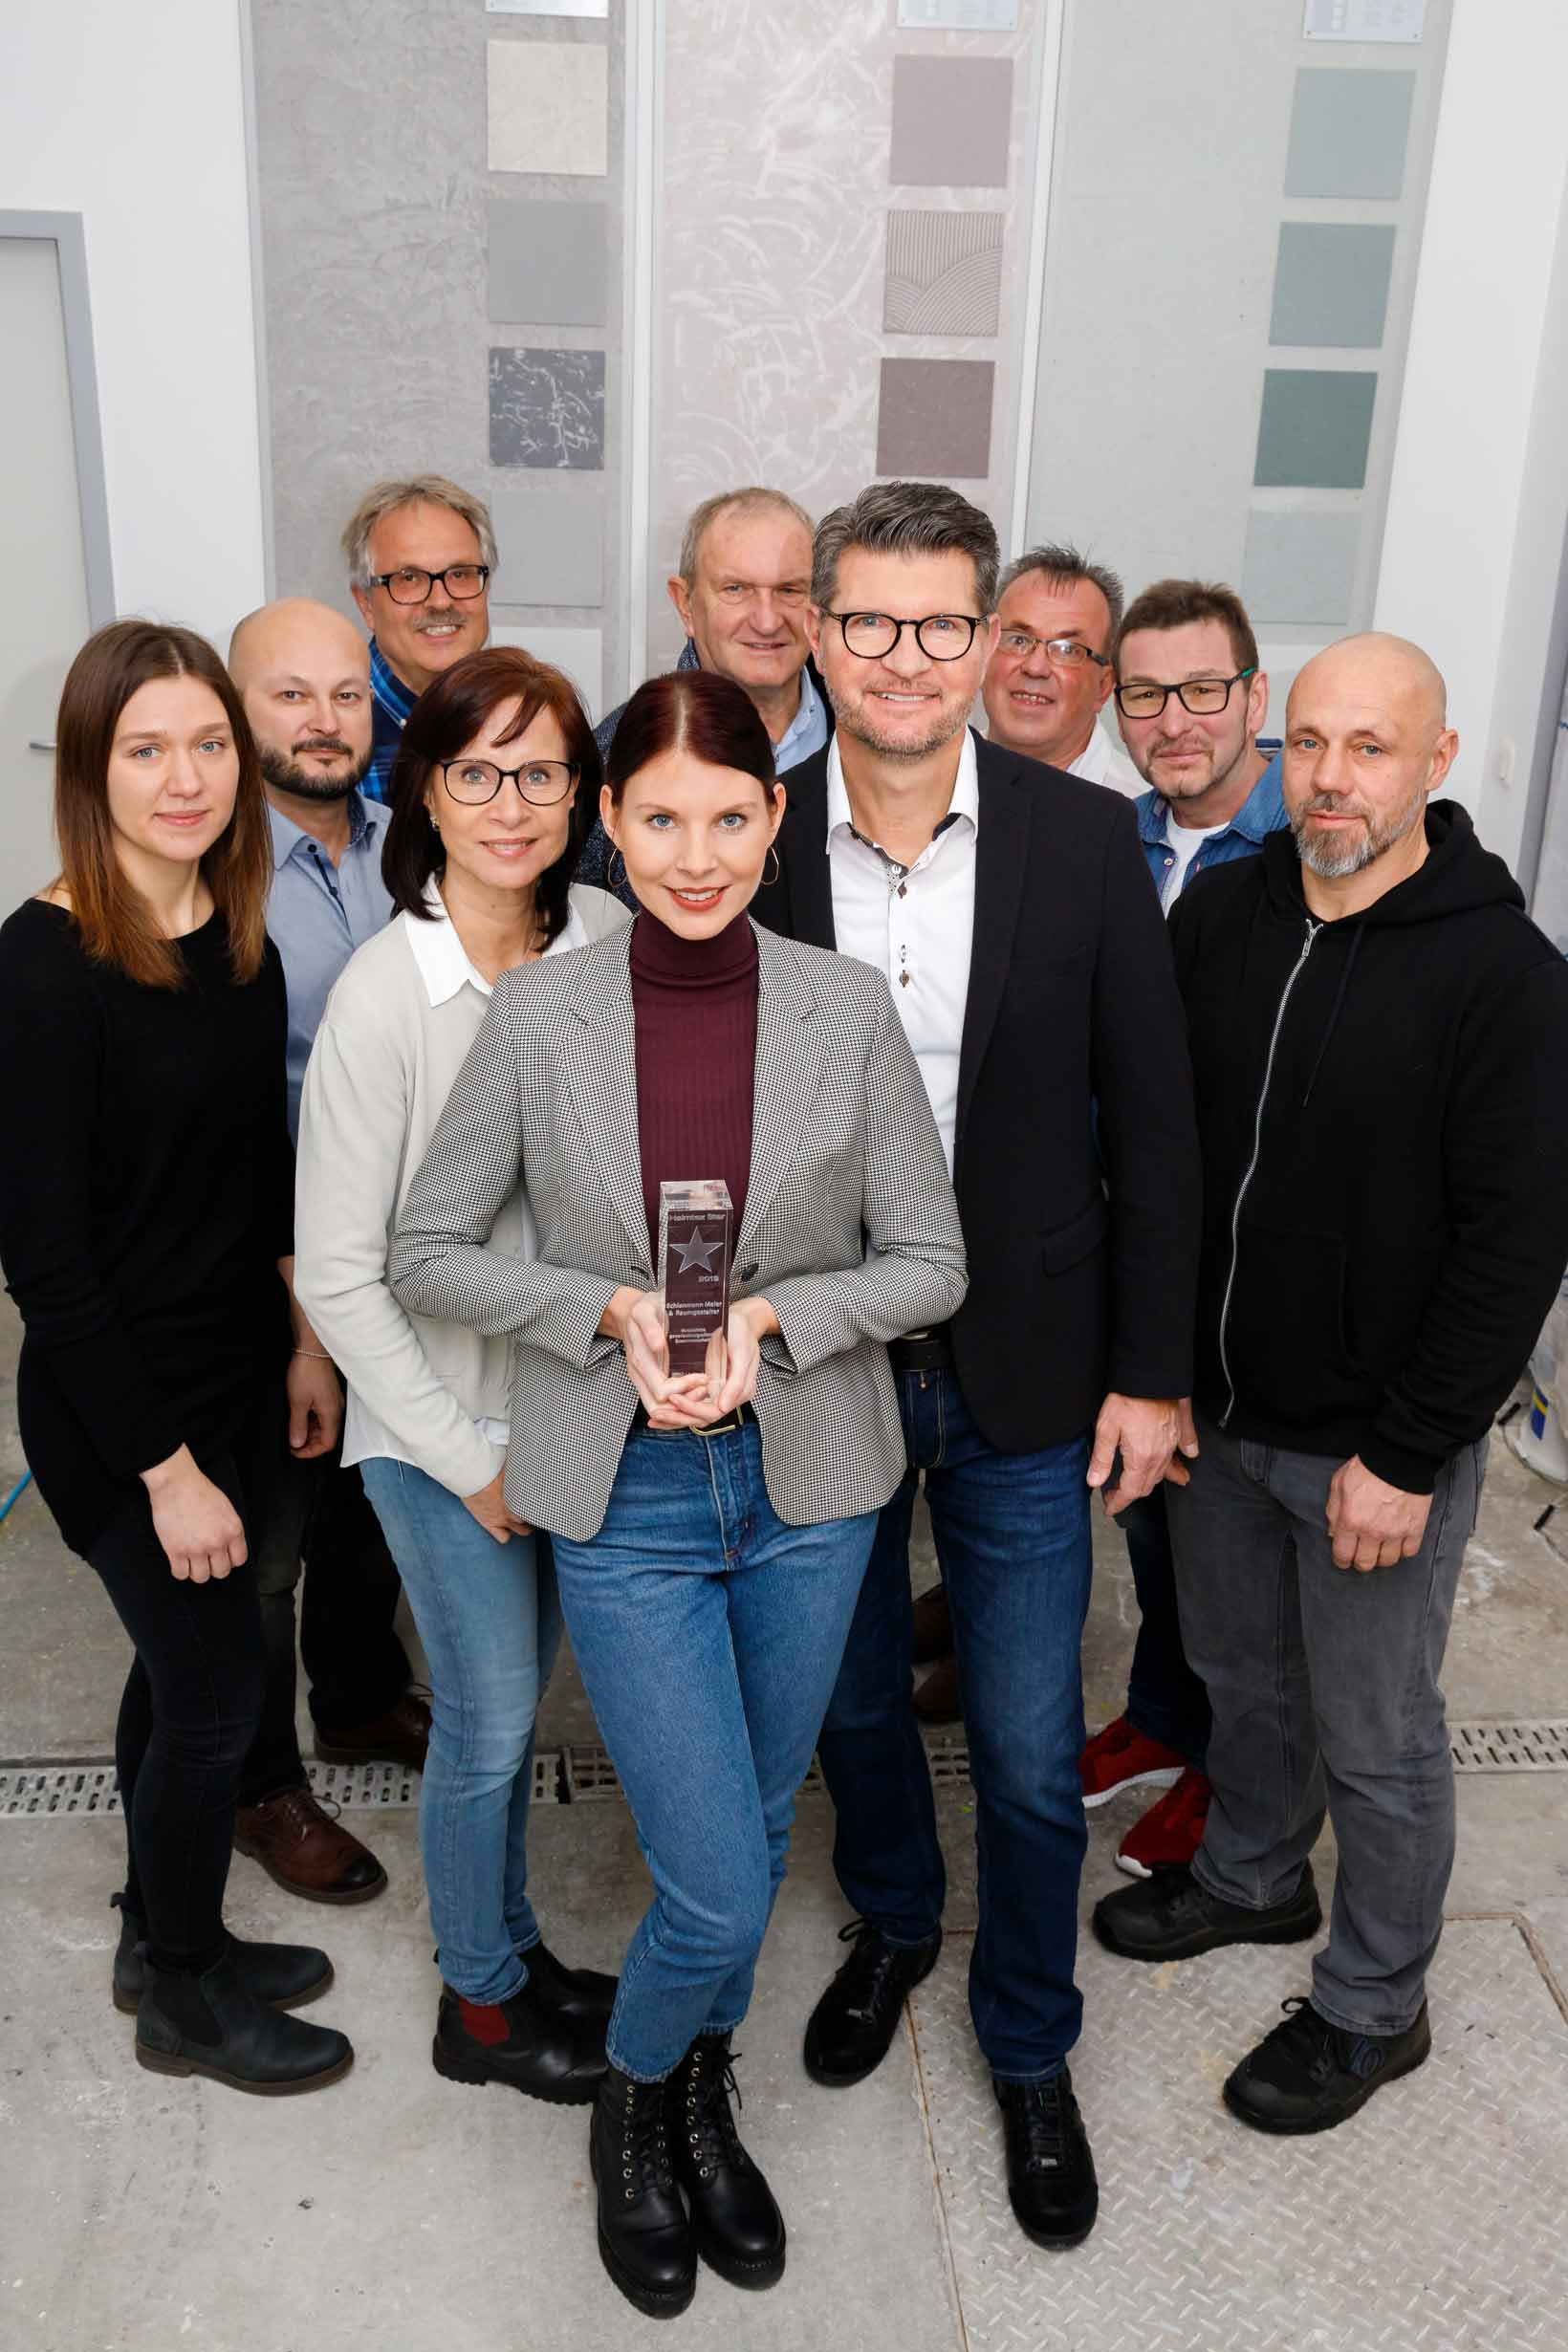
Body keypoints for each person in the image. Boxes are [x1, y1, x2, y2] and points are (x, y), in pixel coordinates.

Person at [390, 668, 967, 2317]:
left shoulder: (843, 1010)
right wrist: (604, 1309)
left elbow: (931, 1262)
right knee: (715, 1878)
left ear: (777, 819)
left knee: (757, 1825)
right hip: (628, 1497)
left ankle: (692, 2088)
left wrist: (776, 1319)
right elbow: (426, 1250)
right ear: (610, 822)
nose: (695, 856)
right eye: (659, 819)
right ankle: (638, 2103)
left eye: (728, 818)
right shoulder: (541, 1018)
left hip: (811, 1488)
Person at [752, 481, 1201, 2252]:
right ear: (817, 634)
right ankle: (887, 1921)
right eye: (870, 620)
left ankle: (1027, 2036)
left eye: (945, 622)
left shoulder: (1081, 843)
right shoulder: (745, 836)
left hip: (1033, 1360)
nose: (907, 657)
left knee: (1022, 1743)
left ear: (988, 636)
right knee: (854, 1700)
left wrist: (1151, 1372)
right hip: (826, 1359)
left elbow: (1154, 1128)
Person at [1093, 634, 1568, 2136]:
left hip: (1372, 1444)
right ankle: (1251, 1877)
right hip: (1220, 1419)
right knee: (1243, 1682)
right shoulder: (1224, 914)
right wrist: (1159, 1371)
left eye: (1372, 746)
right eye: (1310, 743)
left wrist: (1412, 1454)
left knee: (1378, 1735)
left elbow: (1515, 1247)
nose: (1333, 779)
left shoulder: (1507, 977)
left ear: (1436, 762)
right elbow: (1162, 1155)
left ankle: (1374, 2003)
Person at [0, 621, 353, 2095]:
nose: (186, 777)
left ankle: (159, 1932)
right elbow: (48, 1268)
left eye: (208, 743)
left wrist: (305, 1344)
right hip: (117, 1410)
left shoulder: (235, 932)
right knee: (215, 1695)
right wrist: (166, 1472)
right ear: (92, 769)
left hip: (236, 1370)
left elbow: (255, 1183)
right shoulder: (41, 965)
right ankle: (188, 1999)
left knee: (179, 1672)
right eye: (146, 749)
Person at [295, 648, 627, 2102]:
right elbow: (340, 1274)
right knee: (486, 1724)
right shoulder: (385, 995)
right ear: (425, 791)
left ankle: (511, 1946)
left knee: (521, 1712)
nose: (510, 803)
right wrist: (466, 1458)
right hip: (444, 1430)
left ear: (582, 794)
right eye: (476, 772)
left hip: (581, 1410)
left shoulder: (606, 934)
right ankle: (480, 2007)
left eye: (540, 772)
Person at [1080, 578, 1292, 1877]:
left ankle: (1234, 1765)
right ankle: (1163, 1717)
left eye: (1202, 690)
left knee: (1235, 1555)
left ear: (1253, 695)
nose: (1173, 720)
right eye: (1145, 694)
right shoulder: (1114, 844)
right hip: (1133, 1245)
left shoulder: (1307, 846)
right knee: (1147, 1510)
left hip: (1253, 1266)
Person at [226, 599, 417, 1907]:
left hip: (404, 1246)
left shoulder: (414, 847)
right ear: (239, 712)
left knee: (371, 1501)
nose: (324, 720)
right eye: (289, 694)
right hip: (265, 1253)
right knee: (267, 1542)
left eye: (346, 693)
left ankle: (357, 1700)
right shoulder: (211, 869)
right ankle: (259, 1785)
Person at [577, 488, 831, 900]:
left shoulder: (865, 731)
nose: (767, 621)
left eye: (790, 590)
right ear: (685, 605)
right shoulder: (610, 757)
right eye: (736, 589)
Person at [343, 475, 496, 803]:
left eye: (460, 574)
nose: (440, 601)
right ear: (365, 604)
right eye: (409, 578)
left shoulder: (525, 720)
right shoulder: (329, 739)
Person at [980, 542, 1141, 796]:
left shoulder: (1137, 812)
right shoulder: (928, 779)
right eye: (1018, 640)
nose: (1035, 668)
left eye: (1067, 650)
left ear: (1103, 687)